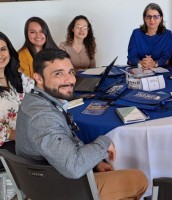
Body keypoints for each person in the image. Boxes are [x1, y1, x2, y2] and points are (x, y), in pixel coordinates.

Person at [15, 48, 148, 200]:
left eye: (71, 72)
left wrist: (95, 162)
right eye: (58, 73)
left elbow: (66, 143)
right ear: (38, 78)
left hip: (48, 178)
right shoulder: (42, 117)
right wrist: (104, 142)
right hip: (58, 188)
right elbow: (74, 167)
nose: (70, 80)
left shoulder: (36, 100)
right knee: (139, 179)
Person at [0, 32, 34, 200]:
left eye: (3, 49)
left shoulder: (18, 77)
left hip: (27, 138)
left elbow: (37, 96)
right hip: (6, 147)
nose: (0, 55)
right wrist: (19, 135)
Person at [127, 3, 172, 70]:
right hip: (140, 71)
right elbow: (131, 57)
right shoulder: (136, 33)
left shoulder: (167, 34)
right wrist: (141, 63)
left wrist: (154, 63)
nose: (152, 20)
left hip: (160, 73)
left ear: (160, 18)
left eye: (156, 16)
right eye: (149, 16)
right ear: (144, 18)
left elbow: (166, 58)